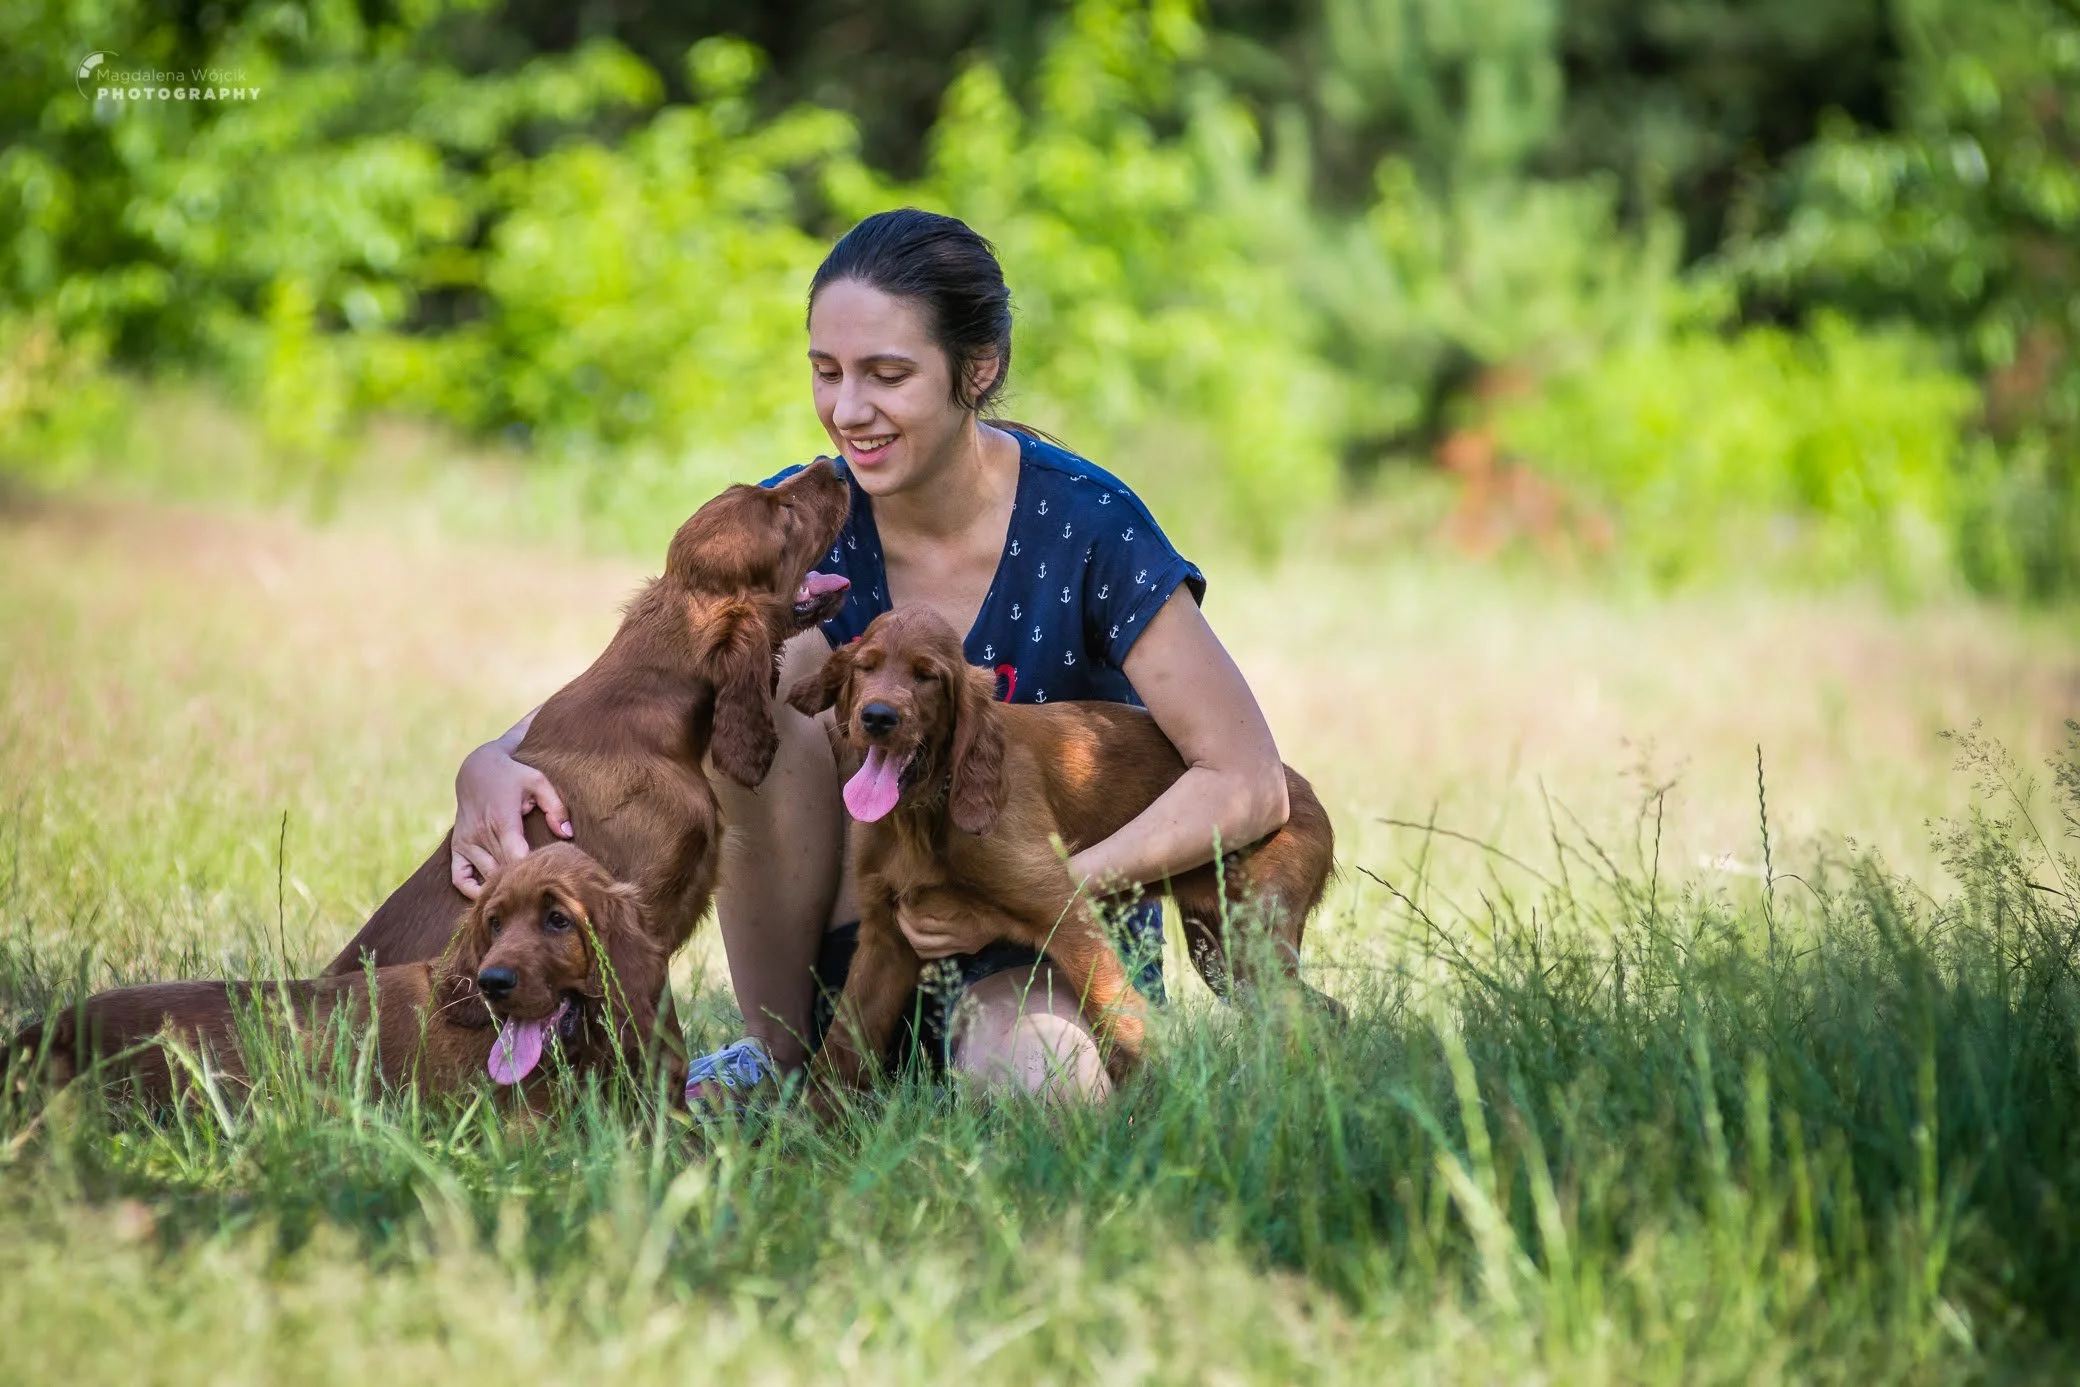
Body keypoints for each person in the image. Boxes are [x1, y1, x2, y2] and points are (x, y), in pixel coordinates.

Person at [448, 208, 1290, 1102]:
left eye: (888, 375)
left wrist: (1032, 891)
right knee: (759, 671)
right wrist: (494, 757)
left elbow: (1245, 778)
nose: (849, 411)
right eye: (826, 372)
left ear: (980, 368)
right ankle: (779, 1052)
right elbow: (649, 681)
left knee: (1045, 1087)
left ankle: (967, 1061)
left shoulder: (1087, 524)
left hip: (1048, 940)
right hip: (863, 918)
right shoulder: (802, 517)